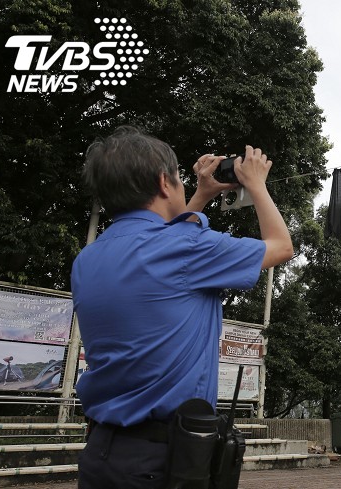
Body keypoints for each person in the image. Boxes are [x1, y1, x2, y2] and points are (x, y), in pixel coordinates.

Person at [71, 126, 294, 489]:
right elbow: (281, 245)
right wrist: (256, 184)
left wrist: (202, 195)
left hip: (102, 455)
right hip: (160, 463)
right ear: (163, 183)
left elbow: (168, 252)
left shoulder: (88, 259)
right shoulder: (185, 249)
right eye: (179, 177)